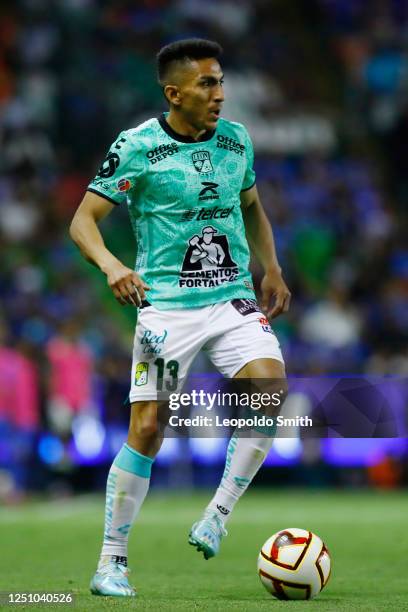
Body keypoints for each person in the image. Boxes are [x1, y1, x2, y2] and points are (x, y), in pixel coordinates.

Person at [70, 38, 291, 598]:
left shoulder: (236, 140)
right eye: (206, 84)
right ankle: (110, 563)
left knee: (269, 386)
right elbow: (83, 221)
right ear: (174, 93)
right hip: (166, 310)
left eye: (220, 81)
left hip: (233, 300)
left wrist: (273, 268)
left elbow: (252, 207)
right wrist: (112, 265)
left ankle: (217, 514)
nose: (220, 94)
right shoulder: (137, 147)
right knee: (148, 429)